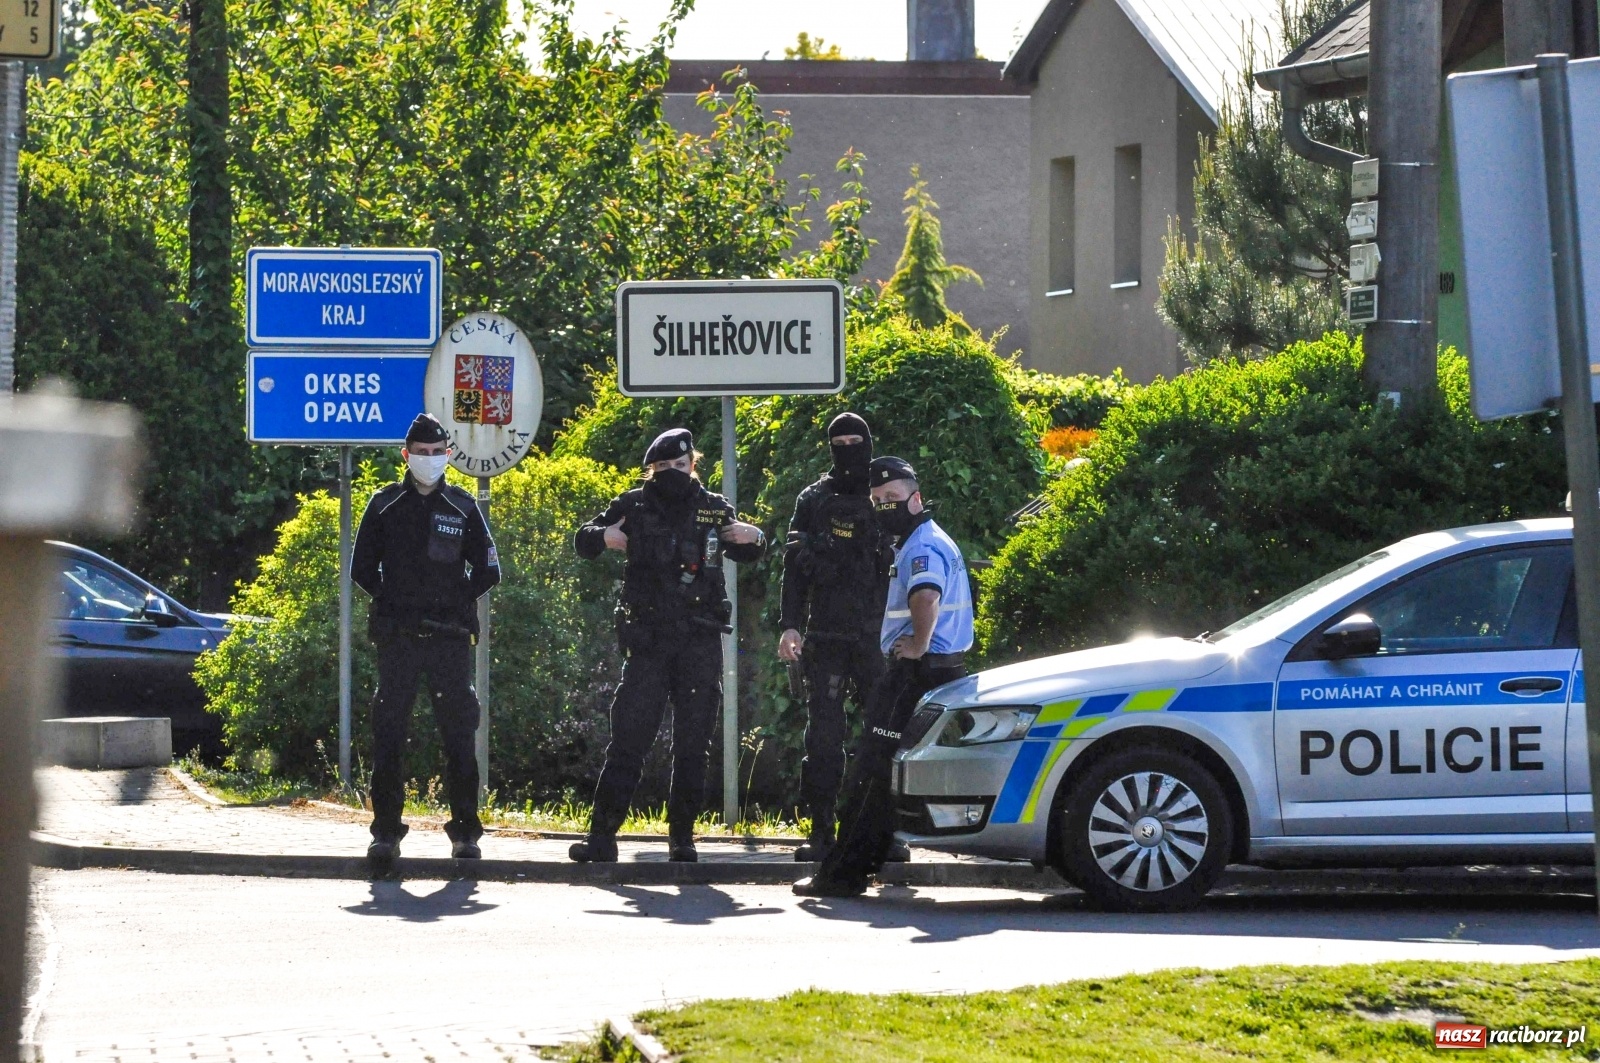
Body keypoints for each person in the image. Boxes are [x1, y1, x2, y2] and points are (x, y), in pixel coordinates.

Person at [569, 428, 766, 863]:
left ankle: (682, 840)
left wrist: (755, 537)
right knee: (629, 739)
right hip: (649, 642)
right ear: (650, 470)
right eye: (662, 467)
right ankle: (601, 838)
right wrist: (603, 537)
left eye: (679, 465)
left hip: (698, 641)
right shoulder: (634, 505)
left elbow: (748, 548)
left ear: (693, 465)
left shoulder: (713, 507)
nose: (672, 472)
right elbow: (584, 538)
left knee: (693, 745)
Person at [793, 456, 973, 898]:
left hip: (916, 673)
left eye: (892, 497)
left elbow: (925, 596)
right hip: (937, 669)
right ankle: (872, 856)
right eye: (877, 500)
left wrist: (918, 644)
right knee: (891, 769)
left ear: (916, 498)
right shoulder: (926, 537)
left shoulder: (921, 545)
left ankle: (842, 875)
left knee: (871, 771)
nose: (884, 506)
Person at [351, 413, 500, 870]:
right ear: (406, 455)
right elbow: (361, 569)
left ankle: (465, 834)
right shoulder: (384, 504)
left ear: (448, 455)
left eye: (437, 453)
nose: (430, 460)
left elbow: (489, 569)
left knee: (459, 736)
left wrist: (454, 599)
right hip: (398, 639)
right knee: (389, 735)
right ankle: (385, 834)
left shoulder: (462, 506)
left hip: (449, 639)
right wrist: (393, 599)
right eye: (422, 453)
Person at [777, 412, 893, 862]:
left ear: (868, 443)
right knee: (823, 739)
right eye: (838, 443)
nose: (847, 451)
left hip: (877, 637)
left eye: (854, 442)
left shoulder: (885, 492)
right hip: (825, 634)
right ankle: (821, 832)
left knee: (885, 736)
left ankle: (883, 834)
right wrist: (789, 624)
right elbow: (793, 568)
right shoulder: (814, 498)